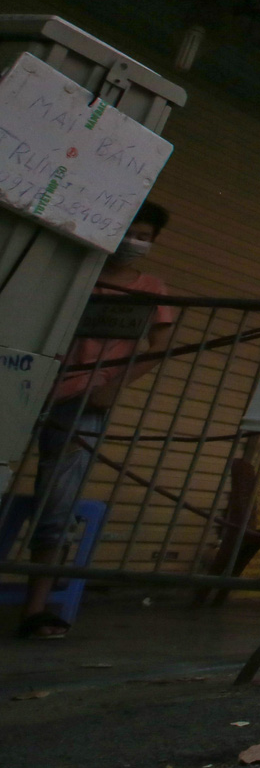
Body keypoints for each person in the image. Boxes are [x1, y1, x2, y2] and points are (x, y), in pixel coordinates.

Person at [17, 203, 175, 639]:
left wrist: (114, 385)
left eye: (144, 236)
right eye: (130, 232)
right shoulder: (74, 272)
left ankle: (36, 607)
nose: (134, 242)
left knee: (58, 499)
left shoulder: (151, 288)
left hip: (82, 402)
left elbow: (159, 345)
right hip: (25, 387)